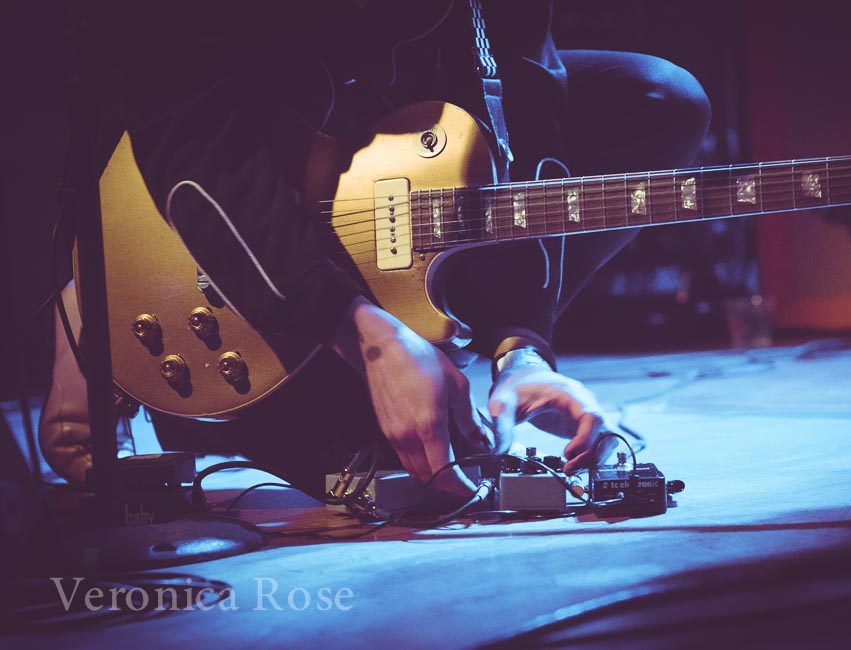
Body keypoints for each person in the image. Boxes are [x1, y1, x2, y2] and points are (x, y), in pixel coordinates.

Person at [42, 1, 710, 498]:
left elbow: (528, 99)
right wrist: (363, 337)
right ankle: (101, 316)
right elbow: (188, 135)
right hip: (209, 191)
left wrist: (522, 345)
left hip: (390, 148)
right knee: (385, 474)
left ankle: (420, 314)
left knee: (656, 100)